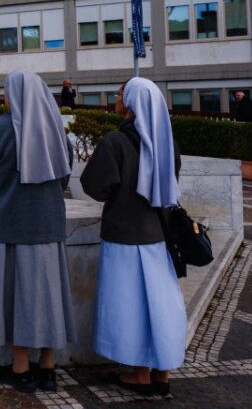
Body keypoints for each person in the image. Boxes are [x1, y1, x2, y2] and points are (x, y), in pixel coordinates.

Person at [0, 70, 75, 393]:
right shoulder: (57, 131)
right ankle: (47, 367)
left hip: (9, 226)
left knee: (13, 295)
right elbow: (64, 178)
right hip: (49, 226)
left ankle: (19, 368)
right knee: (50, 294)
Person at [80, 78, 186, 397]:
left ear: (131, 103)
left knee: (131, 307)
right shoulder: (169, 143)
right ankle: (162, 373)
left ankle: (141, 375)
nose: (117, 97)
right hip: (159, 236)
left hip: (124, 236)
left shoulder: (116, 142)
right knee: (160, 305)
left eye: (120, 93)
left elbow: (94, 186)